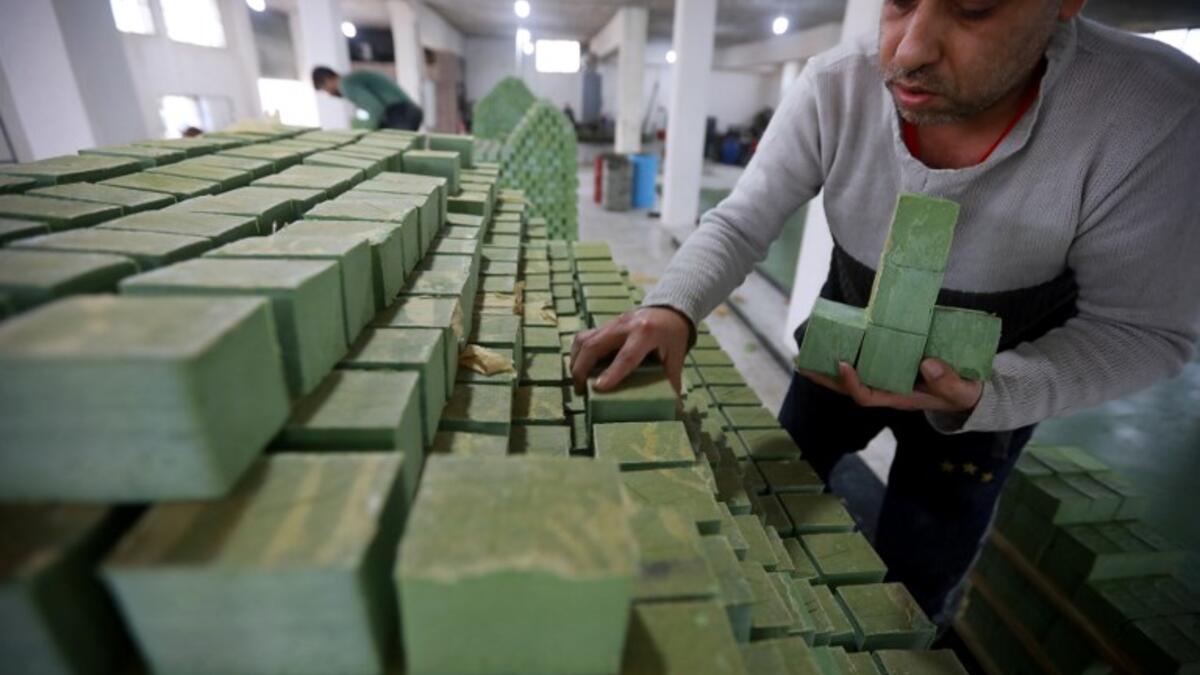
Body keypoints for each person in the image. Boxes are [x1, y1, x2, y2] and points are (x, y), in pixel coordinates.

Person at [570, 0, 1200, 627]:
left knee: (910, 596)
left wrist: (988, 394)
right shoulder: (837, 83)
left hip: (986, 401)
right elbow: (741, 220)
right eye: (897, 2)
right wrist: (673, 306)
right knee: (765, 502)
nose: (906, 51)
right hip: (835, 358)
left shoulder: (1151, 114)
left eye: (973, 8)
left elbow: (1140, 330)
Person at [311, 66, 423, 130]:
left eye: (325, 89)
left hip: (401, 114)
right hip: (408, 111)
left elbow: (376, 109)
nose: (329, 94)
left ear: (327, 81)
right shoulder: (350, 79)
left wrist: (361, 129)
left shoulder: (345, 85)